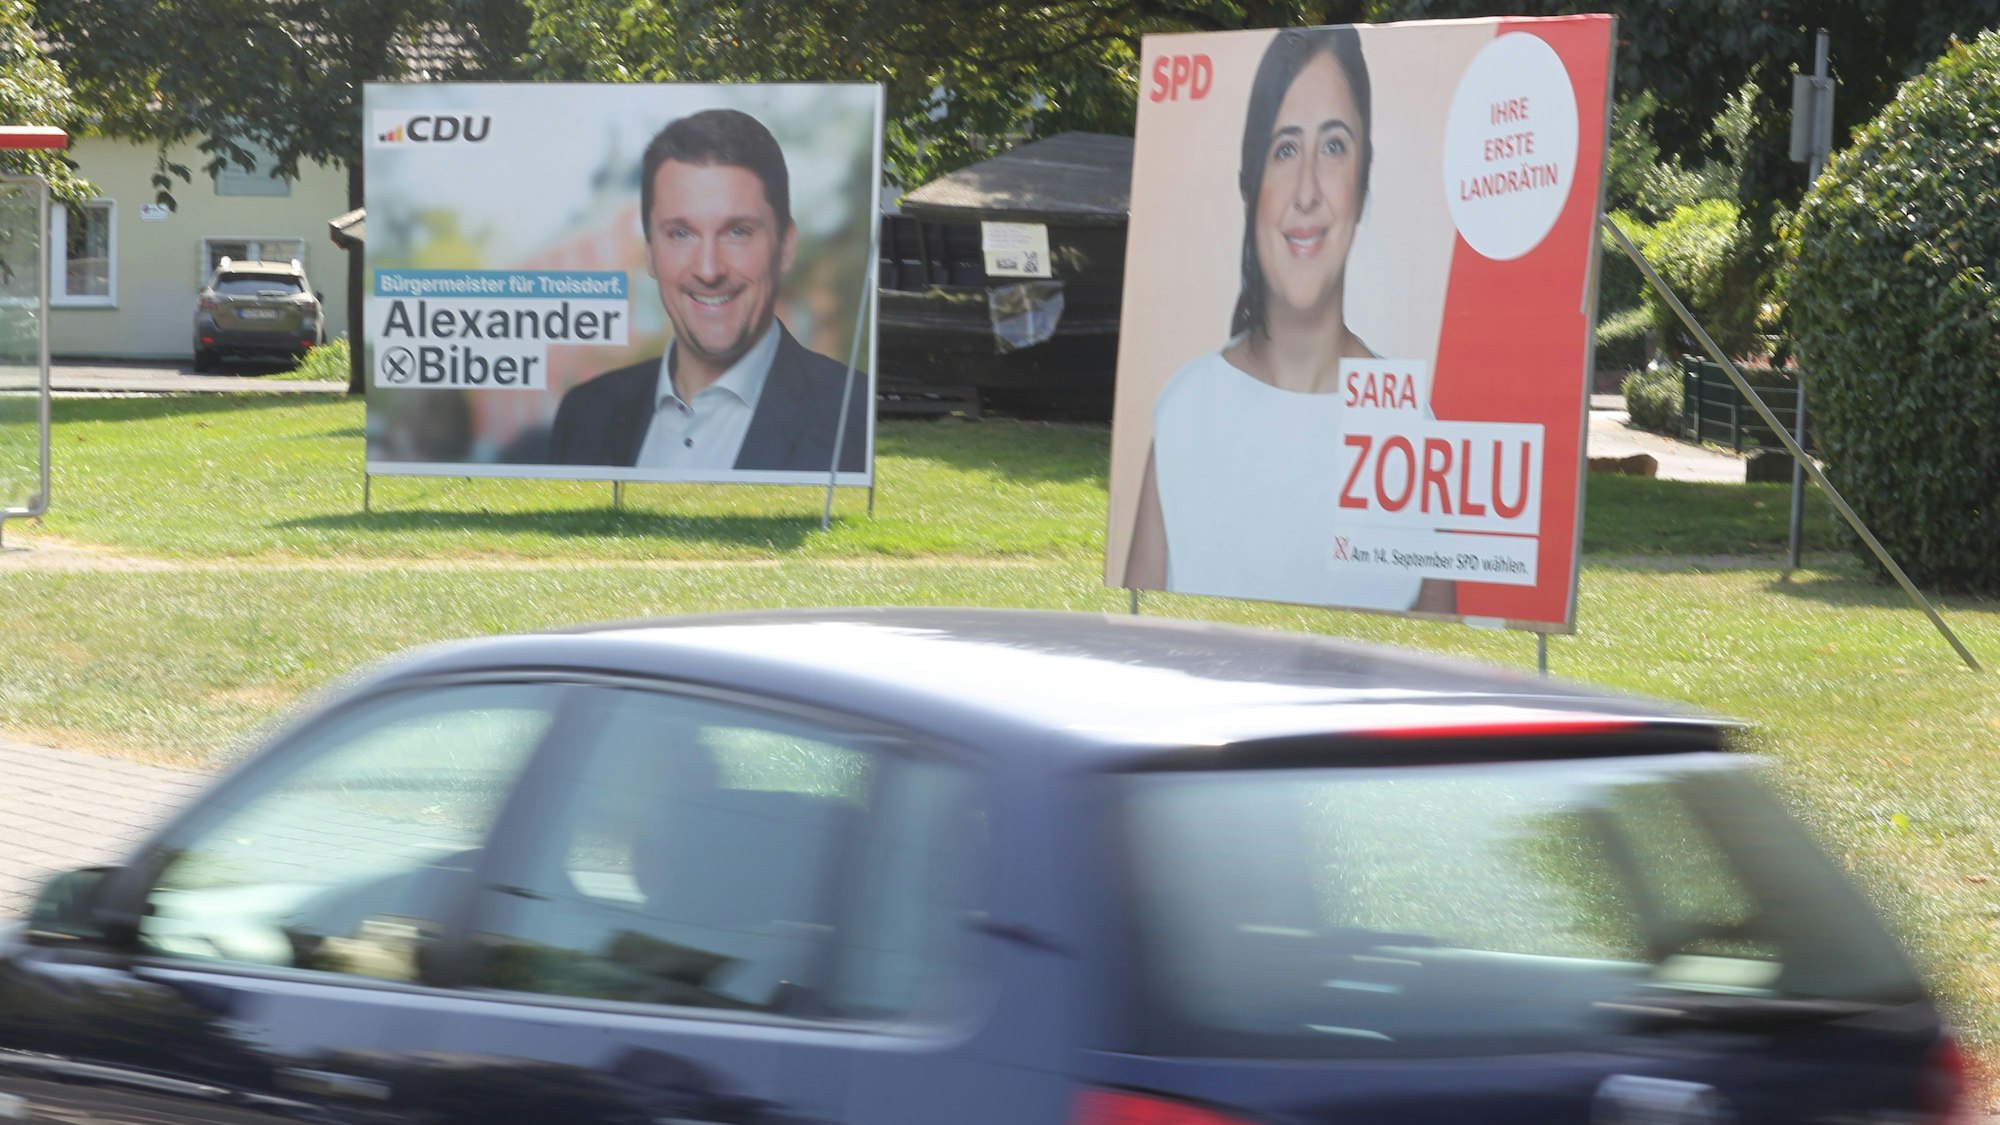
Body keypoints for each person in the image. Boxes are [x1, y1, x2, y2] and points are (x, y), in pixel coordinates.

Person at [1123, 27, 1455, 614]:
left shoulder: (1409, 420)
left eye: (1333, 147)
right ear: (1250, 184)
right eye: (1283, 149)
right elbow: (1141, 638)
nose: (1306, 192)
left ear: (1364, 177)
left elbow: (1438, 662)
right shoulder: (1185, 411)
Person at [549, 108, 868, 473]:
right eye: (681, 234)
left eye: (738, 232)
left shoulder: (850, 413)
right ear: (651, 253)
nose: (708, 270)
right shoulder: (588, 413)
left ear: (785, 246)